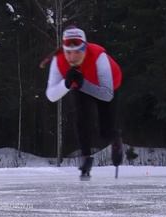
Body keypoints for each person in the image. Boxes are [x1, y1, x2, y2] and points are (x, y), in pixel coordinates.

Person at [45, 26, 124, 178]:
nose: (72, 57)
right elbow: (51, 95)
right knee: (82, 120)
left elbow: (107, 95)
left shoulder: (98, 57)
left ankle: (115, 139)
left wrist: (83, 84)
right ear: (63, 50)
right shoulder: (59, 60)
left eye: (78, 52)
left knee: (106, 130)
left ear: (85, 48)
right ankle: (86, 159)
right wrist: (66, 84)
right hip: (80, 85)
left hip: (107, 86)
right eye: (68, 52)